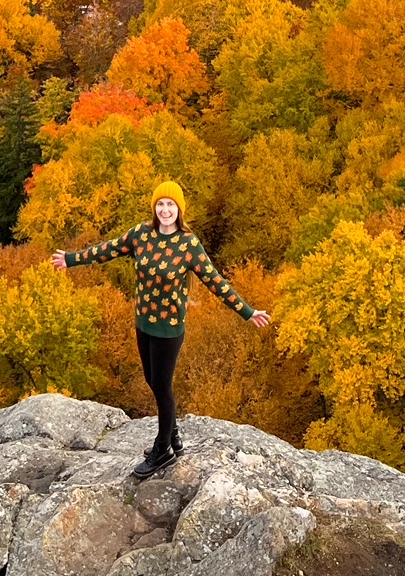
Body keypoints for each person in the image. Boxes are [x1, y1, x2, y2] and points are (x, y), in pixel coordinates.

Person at [52, 179, 271, 477]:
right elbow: (109, 249)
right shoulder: (141, 235)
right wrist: (71, 259)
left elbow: (216, 282)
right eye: (160, 204)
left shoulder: (188, 245)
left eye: (171, 204)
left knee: (163, 387)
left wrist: (247, 312)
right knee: (152, 381)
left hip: (169, 330)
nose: (165, 209)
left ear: (179, 209)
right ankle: (174, 433)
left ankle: (163, 449)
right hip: (143, 323)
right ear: (154, 207)